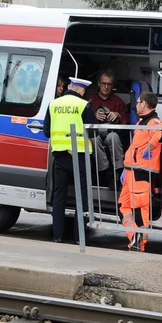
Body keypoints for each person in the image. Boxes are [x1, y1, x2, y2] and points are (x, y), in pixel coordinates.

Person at [44, 77, 98, 243]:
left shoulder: (53, 104)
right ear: (81, 91)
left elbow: (47, 131)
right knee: (81, 196)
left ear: (69, 87)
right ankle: (78, 237)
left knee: (59, 196)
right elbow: (94, 129)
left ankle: (58, 235)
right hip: (79, 155)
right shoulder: (83, 105)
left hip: (60, 155)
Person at [120, 92, 162, 252]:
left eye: (138, 102)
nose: (136, 105)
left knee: (139, 208)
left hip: (141, 171)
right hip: (132, 170)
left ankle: (139, 242)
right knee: (123, 206)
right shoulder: (142, 122)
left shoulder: (154, 121)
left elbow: (159, 136)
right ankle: (134, 236)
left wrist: (147, 150)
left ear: (145, 103)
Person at [91, 69, 128, 175]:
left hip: (110, 133)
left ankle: (118, 172)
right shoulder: (91, 99)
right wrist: (94, 115)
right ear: (98, 83)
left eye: (109, 84)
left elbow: (127, 119)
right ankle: (104, 171)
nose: (106, 87)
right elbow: (81, 117)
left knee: (114, 137)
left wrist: (118, 115)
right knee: (93, 138)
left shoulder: (118, 101)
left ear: (113, 85)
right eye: (103, 83)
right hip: (95, 133)